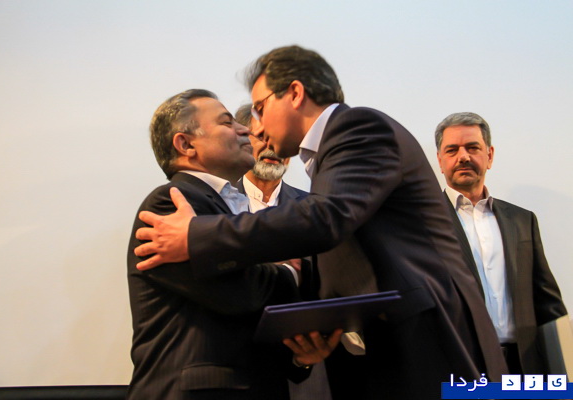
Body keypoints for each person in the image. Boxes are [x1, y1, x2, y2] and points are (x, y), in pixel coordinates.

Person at [133, 46, 508, 399]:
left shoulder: (358, 127)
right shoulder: (171, 203)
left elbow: (325, 218)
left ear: (295, 94)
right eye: (234, 120)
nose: (254, 128)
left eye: (260, 108)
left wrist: (196, 234)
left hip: (425, 337)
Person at [127, 89, 341, 400]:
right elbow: (240, 292)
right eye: (227, 122)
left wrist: (298, 358)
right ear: (186, 144)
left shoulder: (231, 209)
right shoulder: (169, 203)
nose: (245, 130)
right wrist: (292, 273)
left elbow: (251, 319)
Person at [435, 111, 567, 374]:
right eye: (452, 150)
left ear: (490, 155)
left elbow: (547, 303)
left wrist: (560, 371)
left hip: (523, 365)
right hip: (459, 366)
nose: (463, 156)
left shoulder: (522, 220)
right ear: (440, 160)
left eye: (473, 147)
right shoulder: (423, 223)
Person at [235, 105, 332, 400]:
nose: (272, 147)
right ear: (241, 140)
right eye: (262, 136)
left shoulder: (315, 209)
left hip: (304, 371)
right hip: (236, 372)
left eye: (279, 139)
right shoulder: (214, 205)